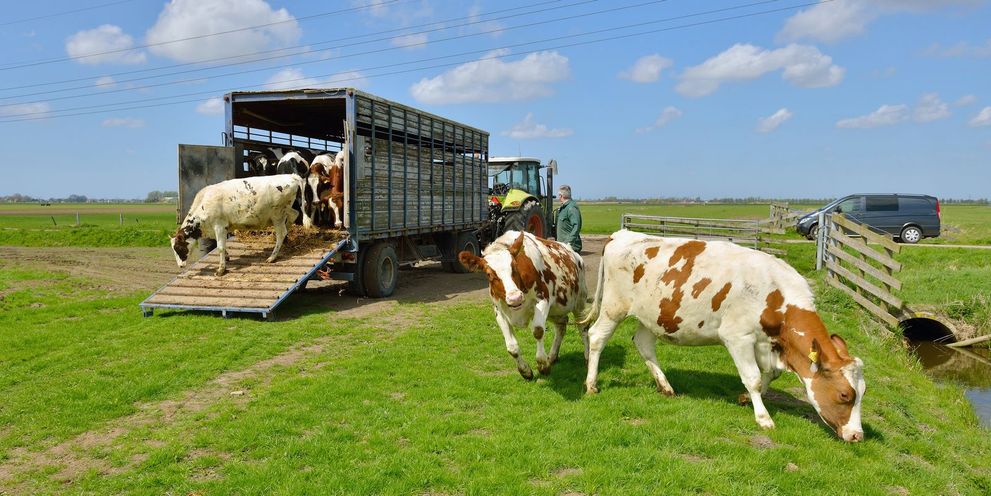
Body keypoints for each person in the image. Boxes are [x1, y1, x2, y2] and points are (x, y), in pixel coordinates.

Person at [554, 185, 582, 253]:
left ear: (561, 196)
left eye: (559, 195)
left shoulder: (571, 208)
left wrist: (569, 242)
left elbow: (576, 226)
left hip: (570, 248)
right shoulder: (564, 208)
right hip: (563, 246)